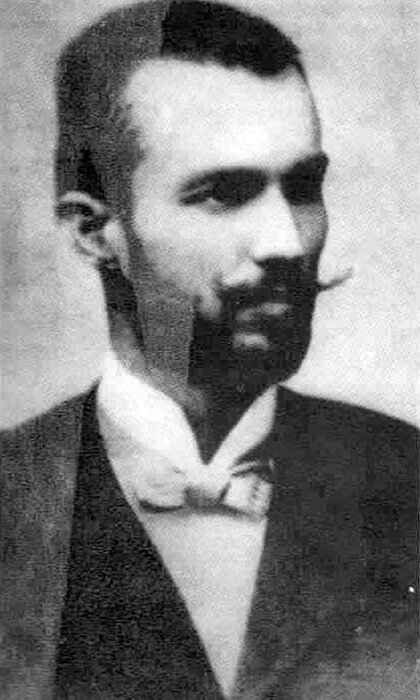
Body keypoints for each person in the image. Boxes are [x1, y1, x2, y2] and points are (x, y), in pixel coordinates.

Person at [1, 2, 418, 699]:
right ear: (93, 232)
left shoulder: (408, 480)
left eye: (303, 188)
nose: (287, 242)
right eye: (223, 195)